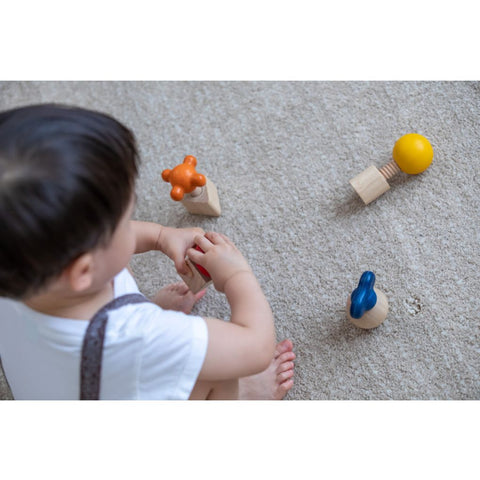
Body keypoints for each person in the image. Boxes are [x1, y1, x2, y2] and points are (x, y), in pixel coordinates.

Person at [0, 104, 295, 400]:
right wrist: (236, 275)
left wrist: (160, 236)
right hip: (113, 372)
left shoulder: (19, 262)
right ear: (83, 271)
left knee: (116, 263)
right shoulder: (144, 338)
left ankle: (135, 306)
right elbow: (255, 348)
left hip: (55, 381)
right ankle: (245, 396)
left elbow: (98, 251)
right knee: (218, 371)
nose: (133, 227)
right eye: (125, 223)